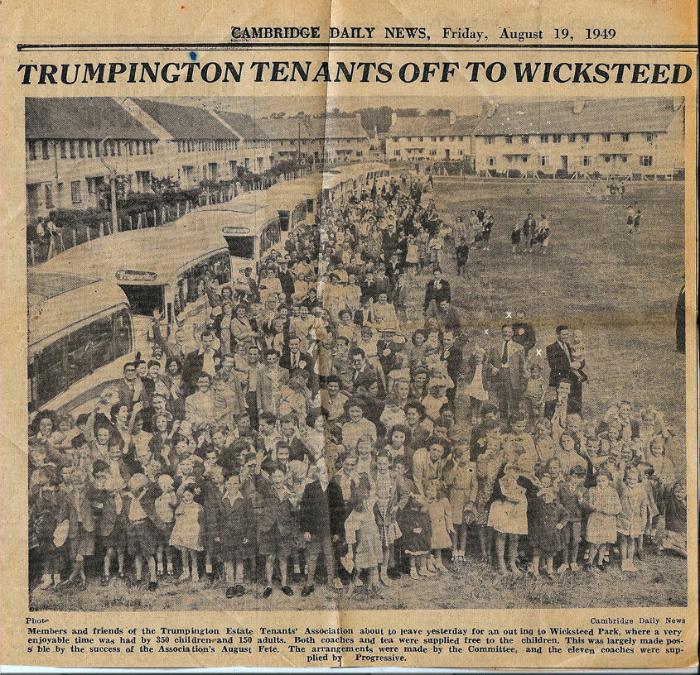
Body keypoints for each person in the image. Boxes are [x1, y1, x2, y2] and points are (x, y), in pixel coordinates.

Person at [299, 461, 345, 596]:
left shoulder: (336, 489)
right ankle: (309, 583)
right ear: (318, 474)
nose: (326, 475)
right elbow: (304, 510)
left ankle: (331, 582)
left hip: (329, 531)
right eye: (323, 473)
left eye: (329, 473)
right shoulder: (310, 488)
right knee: (312, 556)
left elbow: (340, 512)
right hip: (314, 530)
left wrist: (337, 531)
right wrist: (306, 529)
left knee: (329, 556)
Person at [488, 325, 526, 422]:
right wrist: (492, 368)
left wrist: (523, 381)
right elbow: (488, 362)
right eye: (505, 332)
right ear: (502, 333)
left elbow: (522, 366)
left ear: (512, 333)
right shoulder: (495, 347)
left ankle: (515, 422)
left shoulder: (519, 348)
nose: (507, 334)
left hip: (513, 378)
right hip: (499, 377)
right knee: (501, 401)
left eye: (509, 332)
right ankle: (503, 422)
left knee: (513, 401)